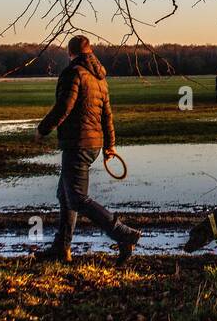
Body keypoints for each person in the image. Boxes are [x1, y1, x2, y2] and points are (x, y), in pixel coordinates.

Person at [34, 35, 141, 264]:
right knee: (65, 196)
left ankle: (124, 234)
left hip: (78, 143)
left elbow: (64, 107)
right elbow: (107, 115)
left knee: (78, 199)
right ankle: (61, 248)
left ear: (70, 53)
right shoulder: (99, 78)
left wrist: (43, 129)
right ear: (89, 51)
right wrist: (109, 145)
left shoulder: (74, 73)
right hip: (92, 144)